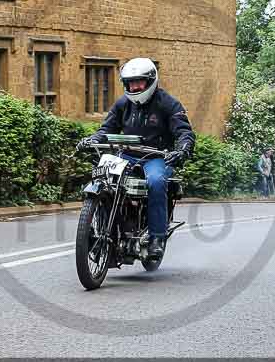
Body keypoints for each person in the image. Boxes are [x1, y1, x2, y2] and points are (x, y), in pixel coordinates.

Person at [76, 58, 195, 259]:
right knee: (103, 177)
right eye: (130, 83)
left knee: (156, 181)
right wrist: (92, 140)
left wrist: (182, 150)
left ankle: (157, 238)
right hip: (126, 155)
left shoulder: (168, 103)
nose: (134, 87)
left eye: (139, 82)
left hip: (156, 157)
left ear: (150, 81)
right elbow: (106, 129)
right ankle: (100, 230)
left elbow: (184, 132)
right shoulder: (123, 104)